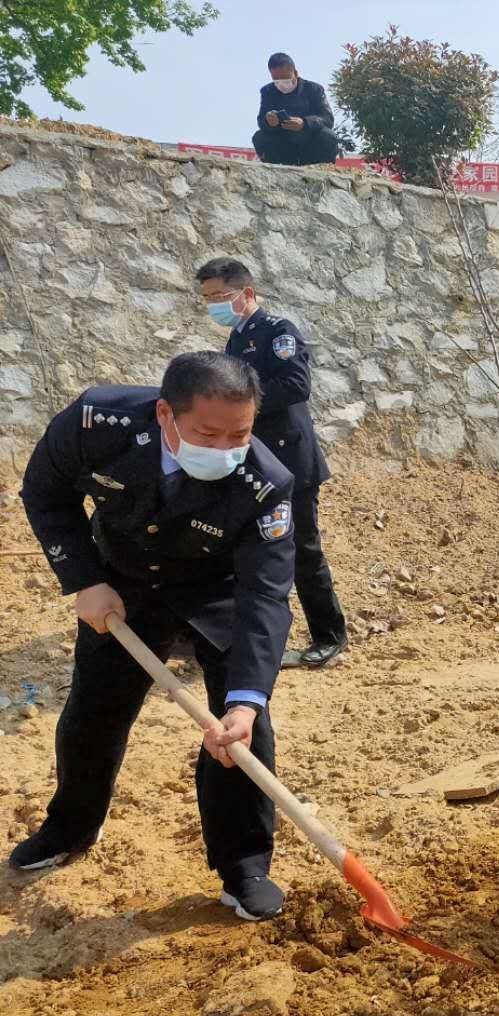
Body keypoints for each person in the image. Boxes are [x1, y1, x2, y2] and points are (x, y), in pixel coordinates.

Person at [12, 353, 296, 921]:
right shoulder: (97, 423)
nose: (224, 449)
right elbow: (45, 492)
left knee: (240, 729)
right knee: (94, 711)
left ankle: (243, 865)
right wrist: (83, 580)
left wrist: (246, 700)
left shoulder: (267, 482)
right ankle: (70, 828)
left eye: (239, 433)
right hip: (119, 581)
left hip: (217, 589)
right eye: (208, 433)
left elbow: (265, 594)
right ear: (166, 413)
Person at [197, 257, 347, 668]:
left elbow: (296, 386)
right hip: (253, 464)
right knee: (238, 549)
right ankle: (231, 634)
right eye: (207, 299)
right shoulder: (235, 338)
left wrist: (240, 405)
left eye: (219, 297)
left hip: (290, 461)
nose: (213, 305)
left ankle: (329, 636)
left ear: (246, 293)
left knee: (301, 549)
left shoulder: (278, 331)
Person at [252, 52, 340, 167]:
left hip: (310, 142)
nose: (281, 83)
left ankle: (323, 168)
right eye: (276, 79)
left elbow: (327, 119)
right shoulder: (268, 91)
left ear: (295, 73)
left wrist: (304, 123)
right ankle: (276, 168)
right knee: (259, 137)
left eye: (284, 78)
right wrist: (269, 122)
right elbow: (261, 122)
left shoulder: (314, 89)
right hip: (283, 143)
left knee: (328, 136)